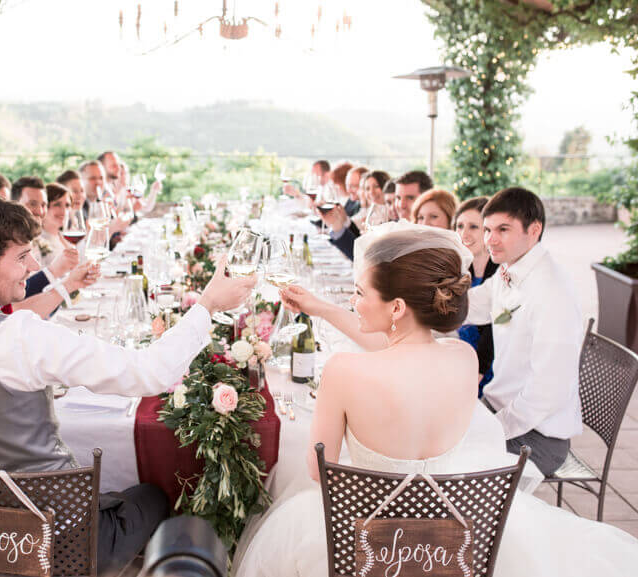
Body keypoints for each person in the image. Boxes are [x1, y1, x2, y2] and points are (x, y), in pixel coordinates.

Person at [235, 223, 638, 577]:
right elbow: (393, 348)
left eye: (358, 293)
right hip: (452, 540)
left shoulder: (343, 371)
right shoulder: (462, 358)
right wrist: (320, 308)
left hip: (368, 543)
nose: (353, 302)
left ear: (396, 307)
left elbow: (322, 474)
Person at [0, 189, 257, 575]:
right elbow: (149, 373)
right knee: (154, 494)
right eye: (21, 257)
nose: (33, 265)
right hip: (56, 548)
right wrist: (206, 306)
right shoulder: (17, 336)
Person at [466, 187, 583, 475]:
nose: (490, 240)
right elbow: (473, 307)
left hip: (537, 437)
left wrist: (492, 429)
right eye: (488, 229)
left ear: (534, 230)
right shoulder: (511, 269)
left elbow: (548, 391)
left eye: (502, 230)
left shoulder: (551, 291)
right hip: (499, 410)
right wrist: (418, 303)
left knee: (444, 456)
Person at [455, 196, 498, 395]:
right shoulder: (463, 267)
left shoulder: (500, 272)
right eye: (460, 226)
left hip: (486, 369)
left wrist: (477, 372)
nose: (464, 234)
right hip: (460, 356)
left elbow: (493, 332)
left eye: (473, 227)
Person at [37, 182, 78, 268]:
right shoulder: (35, 242)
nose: (64, 211)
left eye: (67, 205)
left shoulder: (66, 237)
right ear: (44, 207)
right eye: (57, 204)